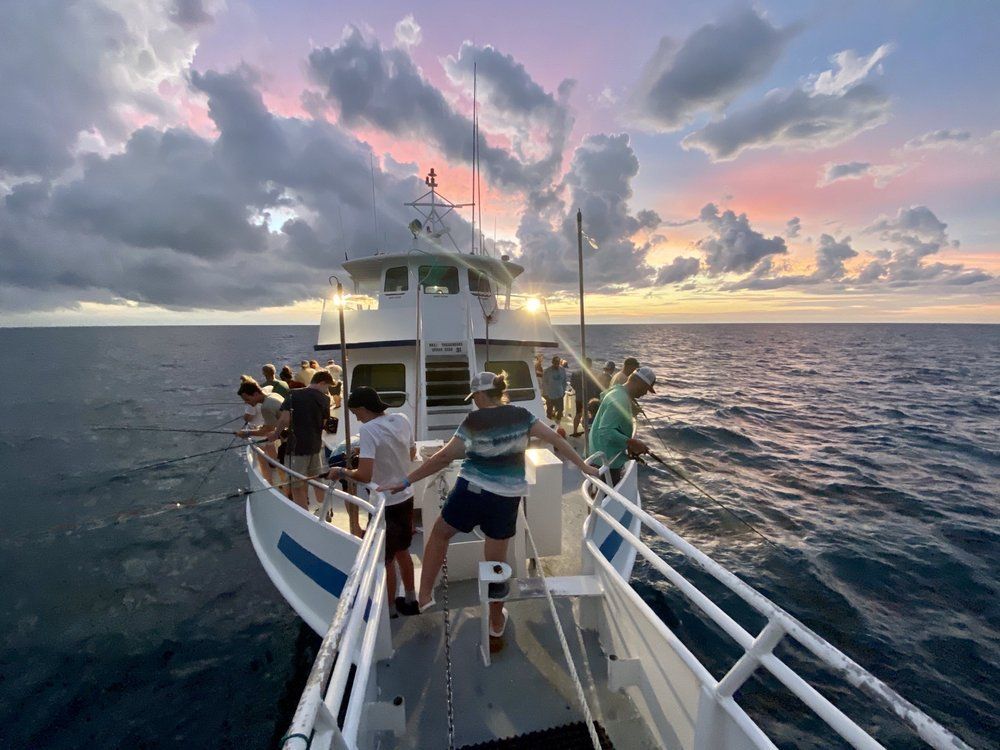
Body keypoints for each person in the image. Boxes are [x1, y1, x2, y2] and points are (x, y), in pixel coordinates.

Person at [378, 372, 600, 650]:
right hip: (505, 500)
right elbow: (557, 439)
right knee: (496, 562)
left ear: (481, 395)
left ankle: (424, 597)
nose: (475, 403)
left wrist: (407, 480)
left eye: (475, 398)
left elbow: (445, 456)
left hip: (470, 492)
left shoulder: (474, 421)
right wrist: (584, 467)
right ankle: (496, 623)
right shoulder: (522, 416)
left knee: (439, 535)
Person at [328, 386, 418, 617]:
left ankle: (389, 612)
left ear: (363, 408)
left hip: (383, 503)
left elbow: (364, 476)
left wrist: (342, 471)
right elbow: (410, 453)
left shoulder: (368, 430)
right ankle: (410, 599)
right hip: (406, 497)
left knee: (385, 559)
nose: (356, 417)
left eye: (356, 412)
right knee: (403, 551)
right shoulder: (401, 418)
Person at [266, 370, 334, 509]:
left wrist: (275, 434)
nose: (327, 390)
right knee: (316, 480)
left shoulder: (293, 394)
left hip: (296, 449)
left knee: (297, 485)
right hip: (315, 446)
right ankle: (324, 510)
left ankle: (304, 512)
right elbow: (325, 423)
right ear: (321, 383)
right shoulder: (325, 399)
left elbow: (285, 419)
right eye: (327, 386)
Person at [589, 366, 657, 486]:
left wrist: (627, 444)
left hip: (603, 457)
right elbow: (605, 431)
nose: (645, 393)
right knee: (604, 501)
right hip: (606, 463)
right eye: (646, 388)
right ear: (639, 383)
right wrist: (631, 442)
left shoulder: (617, 391)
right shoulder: (620, 400)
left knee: (599, 497)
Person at [235, 381, 285, 483]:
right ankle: (284, 483)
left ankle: (271, 484)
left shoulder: (265, 407)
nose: (246, 402)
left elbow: (267, 430)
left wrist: (247, 433)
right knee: (277, 461)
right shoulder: (273, 394)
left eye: (247, 399)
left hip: (289, 437)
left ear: (256, 394)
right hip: (287, 434)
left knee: (263, 462)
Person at [570, 358, 599, 437]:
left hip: (579, 397)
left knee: (578, 414)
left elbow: (572, 384)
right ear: (590, 364)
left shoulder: (575, 373)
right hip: (589, 398)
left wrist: (579, 391)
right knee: (590, 415)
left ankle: (575, 431)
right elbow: (595, 386)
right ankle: (589, 432)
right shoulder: (593, 374)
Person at [541, 355, 567, 422]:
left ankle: (558, 422)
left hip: (559, 394)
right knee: (549, 411)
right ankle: (548, 424)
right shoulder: (547, 371)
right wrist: (546, 394)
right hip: (550, 395)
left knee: (561, 410)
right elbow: (544, 383)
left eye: (558, 363)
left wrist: (564, 391)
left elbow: (564, 381)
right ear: (552, 362)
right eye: (555, 363)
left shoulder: (562, 370)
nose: (557, 364)